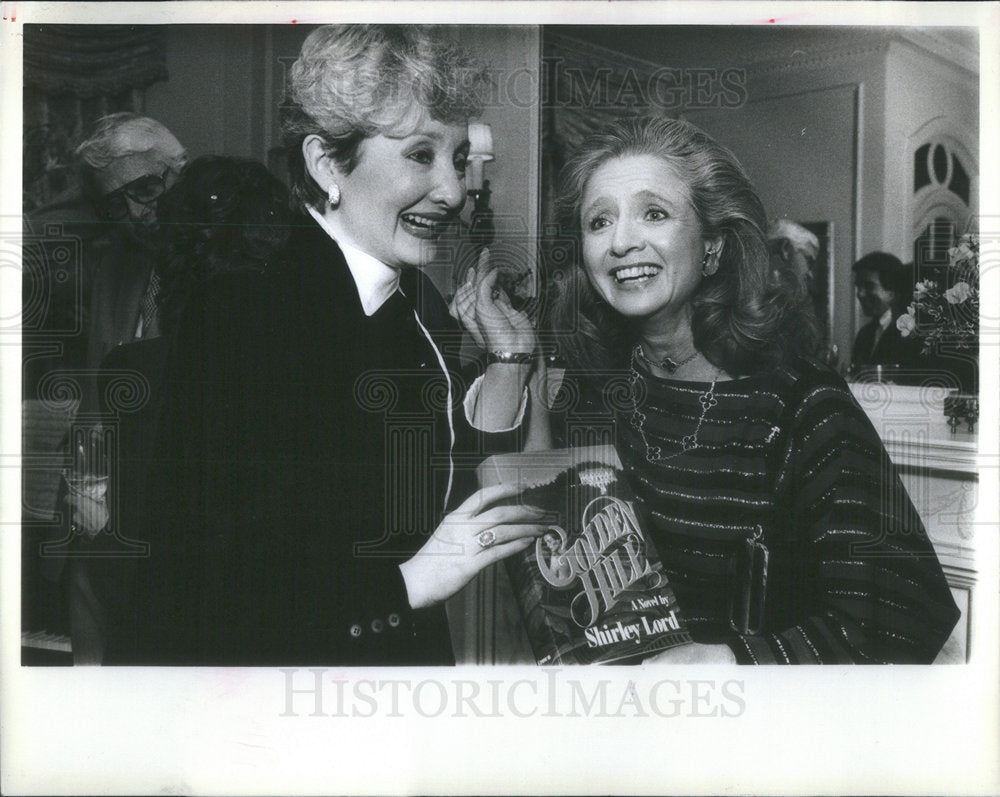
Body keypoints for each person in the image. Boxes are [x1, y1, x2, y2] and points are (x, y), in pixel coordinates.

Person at [125, 25, 545, 665]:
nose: (454, 191)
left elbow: (446, 486)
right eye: (419, 155)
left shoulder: (407, 299)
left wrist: (510, 359)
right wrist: (407, 584)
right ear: (327, 164)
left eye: (457, 159)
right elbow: (217, 579)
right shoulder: (247, 308)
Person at [540, 116, 958, 663]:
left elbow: (908, 616)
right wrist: (510, 357)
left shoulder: (803, 406)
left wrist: (731, 662)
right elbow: (540, 533)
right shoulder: (598, 383)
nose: (621, 241)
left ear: (713, 247)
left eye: (655, 213)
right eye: (599, 221)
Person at [63, 156, 293, 662]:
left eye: (145, 189)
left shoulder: (139, 368)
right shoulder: (311, 365)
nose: (132, 212)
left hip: (175, 620)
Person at [850, 251, 919, 373]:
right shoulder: (864, 334)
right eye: (858, 287)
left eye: (868, 286)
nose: (860, 294)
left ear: (892, 291)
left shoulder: (912, 333)